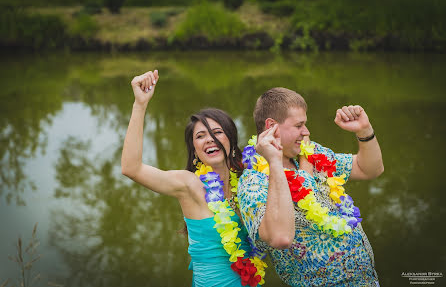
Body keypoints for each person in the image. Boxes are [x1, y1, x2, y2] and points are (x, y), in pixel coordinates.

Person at [121, 70, 284, 287]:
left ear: (231, 140)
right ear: (195, 149)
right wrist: (139, 105)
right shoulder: (190, 185)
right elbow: (131, 168)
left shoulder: (249, 181)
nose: (209, 139)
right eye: (200, 136)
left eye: (217, 132)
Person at [237, 87, 384, 287]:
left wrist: (364, 131)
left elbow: (369, 169)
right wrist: (274, 161)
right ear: (272, 127)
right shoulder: (253, 181)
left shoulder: (312, 154)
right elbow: (280, 237)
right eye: (299, 125)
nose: (306, 132)